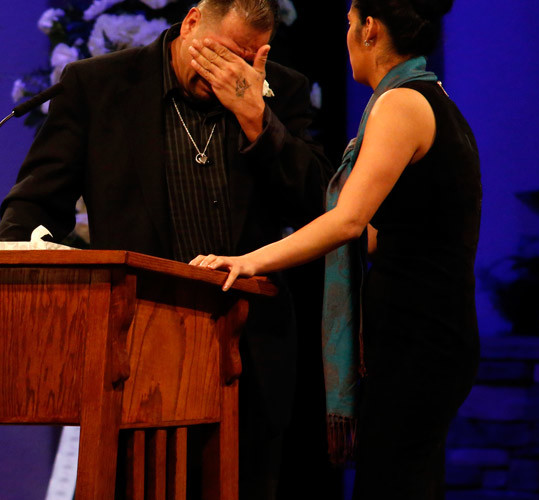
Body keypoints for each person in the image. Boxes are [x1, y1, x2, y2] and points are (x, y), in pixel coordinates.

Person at [0, 0, 332, 496]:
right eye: (219, 54)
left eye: (244, 61)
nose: (227, 74)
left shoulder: (279, 92)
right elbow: (37, 201)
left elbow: (319, 210)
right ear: (192, 21)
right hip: (134, 350)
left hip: (245, 354)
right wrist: (17, 274)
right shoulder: (99, 86)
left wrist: (257, 119)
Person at [192, 0, 479, 498]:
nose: (345, 35)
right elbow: (380, 233)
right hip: (427, 332)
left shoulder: (402, 103)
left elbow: (349, 220)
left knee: (393, 484)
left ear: (370, 29)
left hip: (419, 335)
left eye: (349, 24)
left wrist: (249, 260)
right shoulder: (423, 97)